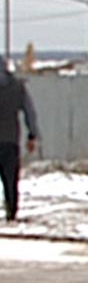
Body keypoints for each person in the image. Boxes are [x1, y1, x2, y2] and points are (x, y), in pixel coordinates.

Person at [0, 56, 39, 221]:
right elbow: (30, 112)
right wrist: (33, 134)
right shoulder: (18, 87)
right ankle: (12, 210)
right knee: (10, 178)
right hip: (11, 140)